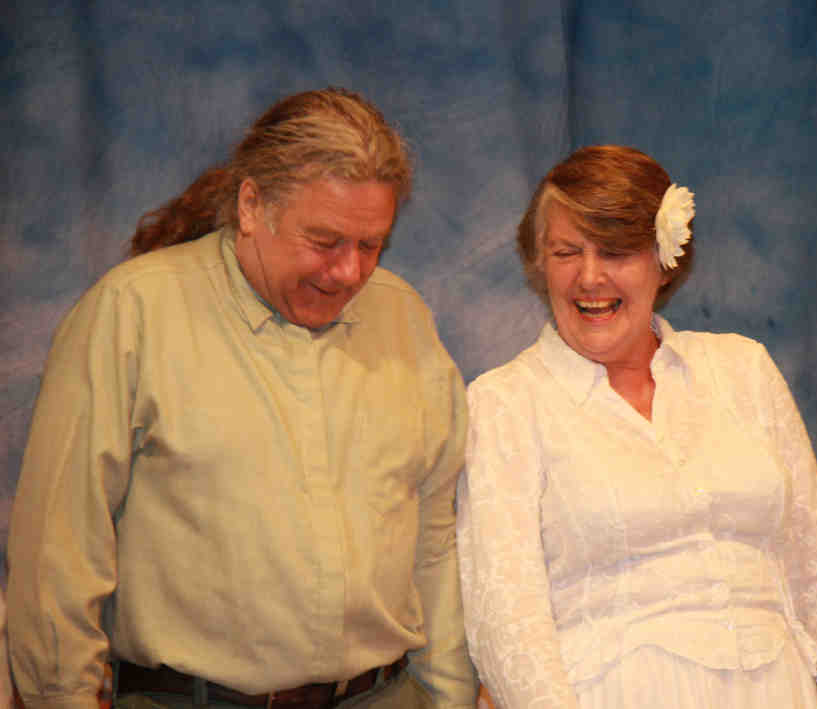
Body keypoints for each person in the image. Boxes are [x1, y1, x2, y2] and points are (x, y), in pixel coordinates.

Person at [7, 88, 475, 709]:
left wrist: (451, 695)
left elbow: (435, 542)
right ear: (252, 205)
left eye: (371, 246)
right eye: (325, 241)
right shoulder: (131, 313)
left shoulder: (403, 318)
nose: (349, 272)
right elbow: (57, 558)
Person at [455, 145, 817, 709]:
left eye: (615, 251)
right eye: (567, 252)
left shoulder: (743, 370)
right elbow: (506, 616)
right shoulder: (505, 403)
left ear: (664, 260)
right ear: (540, 263)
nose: (590, 277)